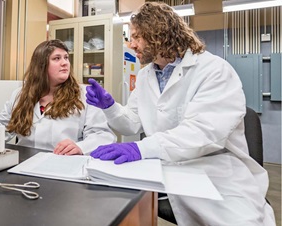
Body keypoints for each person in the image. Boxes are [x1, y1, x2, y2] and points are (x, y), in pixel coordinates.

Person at [86, 2, 275, 226]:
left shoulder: (214, 70)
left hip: (216, 172)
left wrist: (141, 148)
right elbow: (131, 123)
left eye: (137, 37)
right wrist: (110, 107)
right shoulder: (147, 75)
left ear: (158, 32)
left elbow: (203, 133)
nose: (131, 44)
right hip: (163, 169)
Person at [0, 39, 115, 155]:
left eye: (66, 58)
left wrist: (80, 147)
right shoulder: (20, 94)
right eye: (57, 58)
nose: (64, 63)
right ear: (41, 65)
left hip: (64, 164)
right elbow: (0, 129)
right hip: (24, 163)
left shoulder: (84, 95)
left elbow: (102, 134)